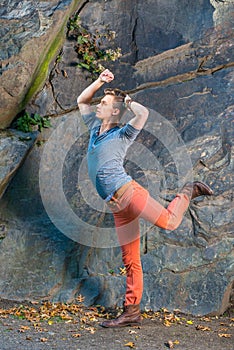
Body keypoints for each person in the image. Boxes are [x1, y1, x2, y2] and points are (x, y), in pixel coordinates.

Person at [77, 69, 213, 328]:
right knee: (130, 260)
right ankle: (132, 312)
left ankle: (189, 190)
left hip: (130, 194)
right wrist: (100, 83)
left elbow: (144, 114)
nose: (99, 105)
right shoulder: (95, 129)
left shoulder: (123, 134)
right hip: (117, 206)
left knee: (170, 222)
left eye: (104, 103)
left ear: (115, 111)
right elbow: (82, 101)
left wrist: (126, 100)